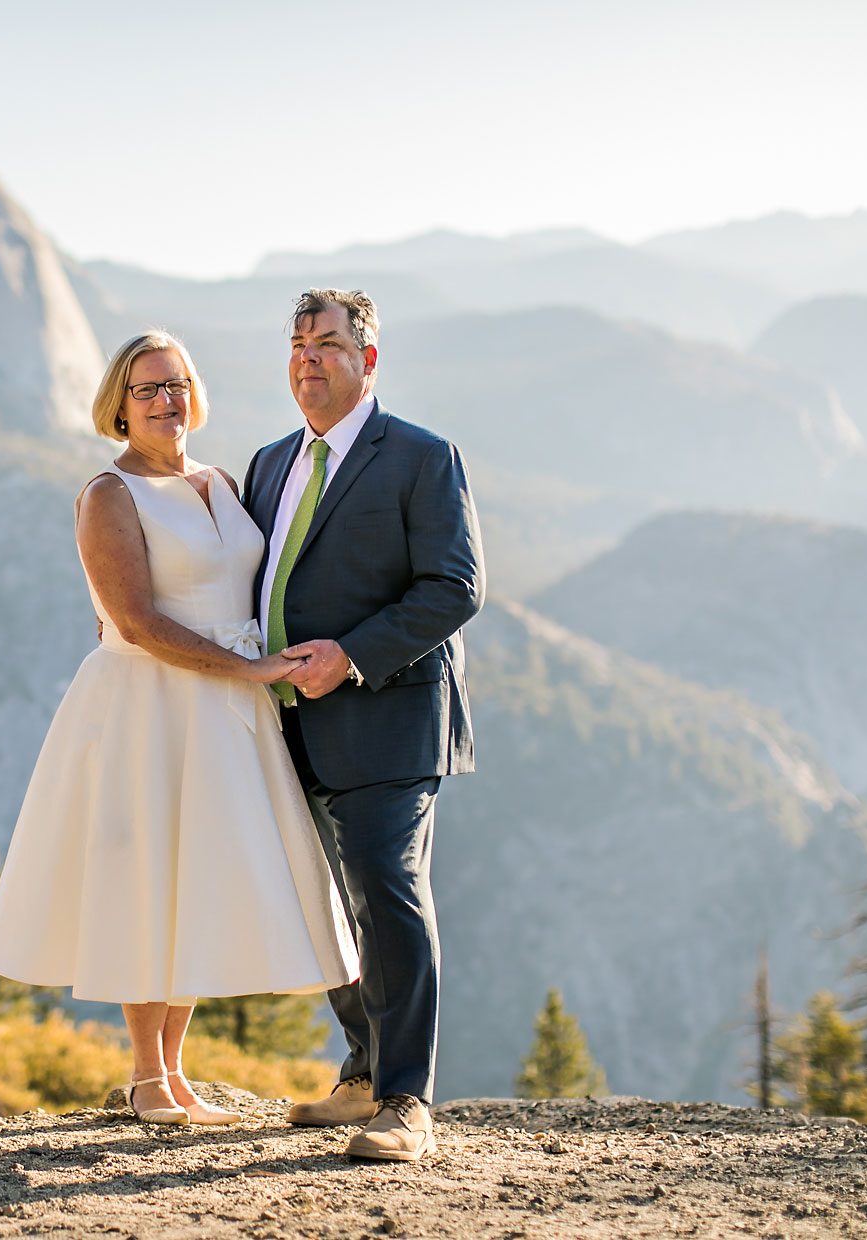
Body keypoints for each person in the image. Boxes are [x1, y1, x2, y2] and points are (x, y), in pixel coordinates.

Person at [0, 330, 358, 1127]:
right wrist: (254, 670)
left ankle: (176, 1073)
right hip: (148, 705)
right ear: (118, 406)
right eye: (147, 389)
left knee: (192, 877)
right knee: (144, 877)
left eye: (176, 384)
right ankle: (149, 1077)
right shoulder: (109, 494)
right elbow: (138, 622)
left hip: (222, 712)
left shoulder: (221, 481)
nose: (166, 400)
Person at [242, 288, 484, 1162]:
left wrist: (348, 654)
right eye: (298, 344)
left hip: (389, 716)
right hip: (287, 723)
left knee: (387, 892)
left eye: (329, 344)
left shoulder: (420, 456)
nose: (309, 358)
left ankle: (407, 1100)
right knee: (321, 904)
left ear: (368, 360)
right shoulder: (270, 463)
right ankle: (362, 1069)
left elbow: (454, 587)